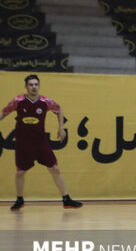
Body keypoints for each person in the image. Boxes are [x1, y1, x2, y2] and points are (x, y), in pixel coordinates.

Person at [0, 74, 83, 211]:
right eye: (31, 84)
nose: (34, 87)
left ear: (39, 86)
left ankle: (66, 199)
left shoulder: (45, 101)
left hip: (40, 142)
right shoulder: (18, 100)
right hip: (23, 143)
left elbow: (59, 109)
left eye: (36, 84)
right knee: (20, 172)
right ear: (26, 87)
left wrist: (61, 128)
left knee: (55, 168)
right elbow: (4, 112)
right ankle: (19, 200)